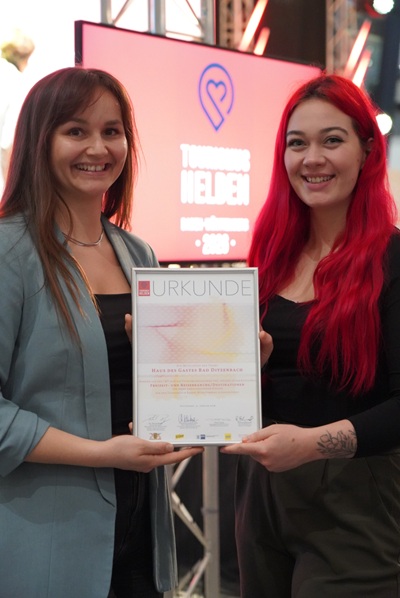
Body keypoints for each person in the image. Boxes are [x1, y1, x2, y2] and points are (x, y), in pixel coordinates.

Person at [0, 66, 203, 598]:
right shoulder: (9, 252)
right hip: (44, 541)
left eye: (112, 131)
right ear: (40, 142)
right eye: (76, 130)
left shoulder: (139, 254)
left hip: (141, 533)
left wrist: (237, 359)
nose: (98, 147)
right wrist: (103, 454)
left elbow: (170, 380)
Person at [221, 73, 400, 597]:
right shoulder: (270, 257)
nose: (312, 159)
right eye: (297, 143)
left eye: (332, 140)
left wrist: (312, 445)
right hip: (262, 494)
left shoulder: (393, 260)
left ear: (367, 151)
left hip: (356, 498)